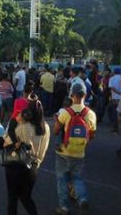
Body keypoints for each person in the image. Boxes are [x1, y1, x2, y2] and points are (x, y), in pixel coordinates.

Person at [53, 83, 96, 215]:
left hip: (64, 152)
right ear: (85, 95)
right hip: (79, 152)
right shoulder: (91, 114)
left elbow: (55, 131)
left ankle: (64, 207)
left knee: (62, 179)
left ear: (72, 95)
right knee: (77, 178)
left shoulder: (66, 112)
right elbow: (92, 135)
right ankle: (82, 199)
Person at [3, 98, 50, 215]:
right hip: (32, 167)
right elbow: (43, 150)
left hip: (16, 165)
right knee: (26, 197)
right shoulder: (45, 127)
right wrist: (36, 163)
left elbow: (6, 142)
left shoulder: (22, 126)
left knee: (12, 198)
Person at [108, 67, 121, 133]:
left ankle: (116, 127)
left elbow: (111, 88)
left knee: (113, 113)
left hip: (114, 98)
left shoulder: (111, 79)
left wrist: (118, 92)